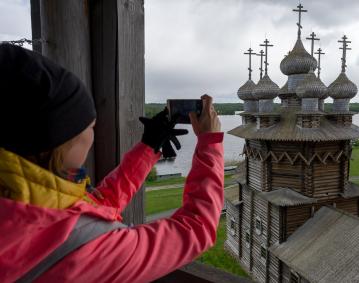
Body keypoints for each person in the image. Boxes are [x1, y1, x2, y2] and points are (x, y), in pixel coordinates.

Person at [0, 44, 224, 282]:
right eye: (89, 127)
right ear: (58, 143)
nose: (92, 134)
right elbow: (196, 228)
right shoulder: (89, 251)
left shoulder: (24, 205)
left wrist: (148, 148)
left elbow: (93, 208)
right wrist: (210, 143)